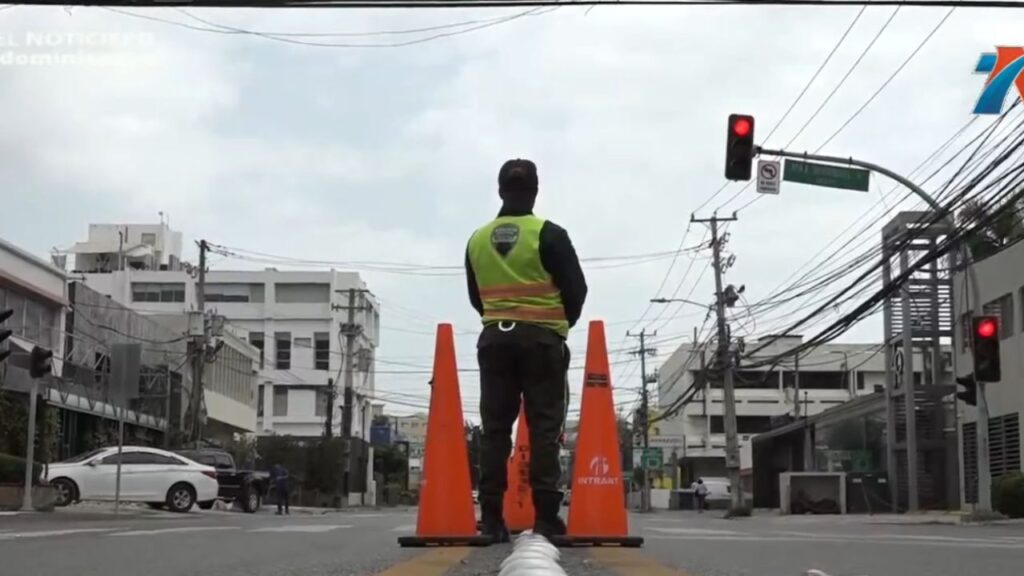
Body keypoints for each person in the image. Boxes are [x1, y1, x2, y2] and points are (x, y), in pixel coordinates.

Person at [465, 158, 588, 542]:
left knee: (495, 431)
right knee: (544, 429)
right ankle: (547, 518)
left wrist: (503, 317)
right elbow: (577, 290)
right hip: (542, 342)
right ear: (536, 191)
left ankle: (492, 518)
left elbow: (476, 297)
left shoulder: (477, 239)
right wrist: (556, 323)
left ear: (500, 191)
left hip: (495, 341)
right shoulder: (549, 234)